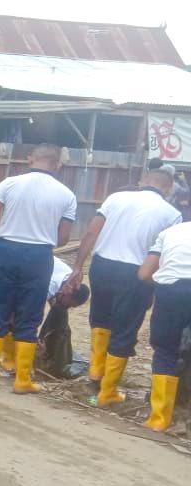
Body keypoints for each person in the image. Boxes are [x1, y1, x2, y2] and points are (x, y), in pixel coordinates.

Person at [63, 166, 181, 406]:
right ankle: (107, 391)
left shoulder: (115, 198)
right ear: (169, 188)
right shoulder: (171, 213)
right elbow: (165, 253)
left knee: (100, 320)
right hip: (135, 273)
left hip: (102, 265)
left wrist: (77, 265)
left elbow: (91, 233)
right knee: (125, 329)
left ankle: (95, 374)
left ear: (142, 181)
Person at [0, 144, 77, 394]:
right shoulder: (67, 195)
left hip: (6, 249)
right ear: (57, 164)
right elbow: (63, 239)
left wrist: (1, 235)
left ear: (30, 159)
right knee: (30, 314)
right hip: (39, 256)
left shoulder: (9, 183)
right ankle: (22, 380)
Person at [137, 221, 191, 431]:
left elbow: (144, 274)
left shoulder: (170, 232)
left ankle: (159, 419)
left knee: (165, 351)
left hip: (171, 292)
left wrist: (165, 283)